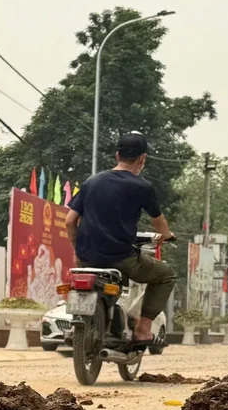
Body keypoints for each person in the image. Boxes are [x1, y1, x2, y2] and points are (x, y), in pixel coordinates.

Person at [65, 131, 176, 350]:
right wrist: (168, 236)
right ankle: (143, 331)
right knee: (166, 275)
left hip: (87, 257)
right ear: (142, 159)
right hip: (121, 258)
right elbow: (159, 222)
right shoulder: (142, 187)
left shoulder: (92, 181)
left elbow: (70, 221)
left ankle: (78, 324)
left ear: (117, 155)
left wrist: (77, 249)